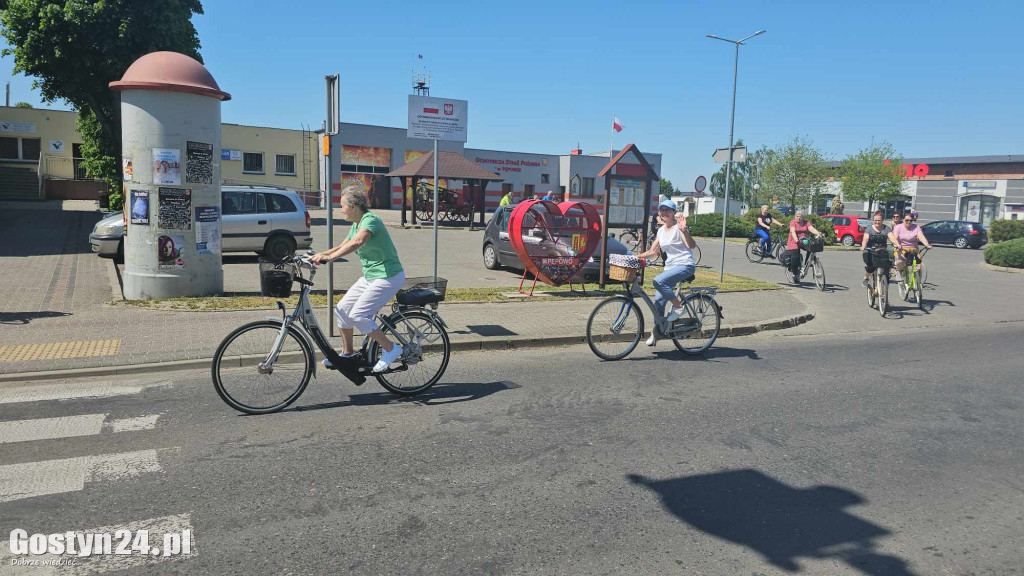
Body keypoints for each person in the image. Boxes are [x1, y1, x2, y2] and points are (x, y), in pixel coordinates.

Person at [311, 186, 406, 374]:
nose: (340, 210)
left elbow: (358, 242)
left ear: (353, 206)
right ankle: (348, 353)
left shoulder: (371, 220)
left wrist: (331, 258)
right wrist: (321, 254)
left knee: (358, 315)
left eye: (342, 206)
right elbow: (343, 244)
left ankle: (391, 348)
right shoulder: (356, 224)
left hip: (388, 277)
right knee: (342, 310)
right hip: (371, 276)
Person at [636, 199, 697, 347]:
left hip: (685, 265)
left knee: (658, 281)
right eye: (662, 210)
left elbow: (691, 245)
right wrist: (636, 257)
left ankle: (679, 307)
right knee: (658, 304)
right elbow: (652, 251)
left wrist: (685, 231)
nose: (664, 213)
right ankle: (657, 333)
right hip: (670, 268)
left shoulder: (679, 228)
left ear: (674, 213)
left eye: (668, 210)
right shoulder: (661, 231)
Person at [783, 210, 823, 283]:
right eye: (797, 216)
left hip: (804, 240)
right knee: (795, 257)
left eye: (800, 216)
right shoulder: (793, 222)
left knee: (812, 248)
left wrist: (818, 233)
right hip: (794, 241)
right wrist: (796, 239)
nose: (798, 218)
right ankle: (795, 274)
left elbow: (811, 228)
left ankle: (806, 264)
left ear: (803, 217)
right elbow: (793, 231)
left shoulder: (806, 222)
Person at [892, 211, 933, 280]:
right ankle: (899, 271)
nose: (909, 222)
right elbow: (895, 237)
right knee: (900, 261)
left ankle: (917, 282)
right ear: (903, 220)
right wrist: (897, 244)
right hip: (901, 248)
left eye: (911, 220)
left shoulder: (916, 227)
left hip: (914, 249)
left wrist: (927, 244)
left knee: (918, 265)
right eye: (907, 220)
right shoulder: (898, 227)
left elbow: (921, 236)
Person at [859, 210, 896, 287]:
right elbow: (865, 238)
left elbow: (892, 237)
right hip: (870, 249)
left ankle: (884, 287)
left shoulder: (887, 228)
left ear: (882, 220)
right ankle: (866, 277)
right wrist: (863, 246)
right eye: (875, 220)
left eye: (879, 220)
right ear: (873, 220)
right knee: (871, 266)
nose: (877, 222)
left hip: (882, 250)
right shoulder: (869, 229)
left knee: (886, 266)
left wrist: (897, 244)